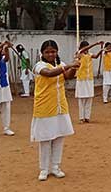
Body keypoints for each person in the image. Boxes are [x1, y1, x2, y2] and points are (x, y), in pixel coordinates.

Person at [32, 40, 80, 181]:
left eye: (53, 51)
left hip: (60, 106)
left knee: (59, 137)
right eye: (47, 52)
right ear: (42, 53)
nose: (51, 54)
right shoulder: (39, 66)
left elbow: (68, 76)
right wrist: (69, 65)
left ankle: (55, 166)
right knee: (45, 139)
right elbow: (49, 73)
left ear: (57, 52)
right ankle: (44, 169)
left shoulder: (62, 65)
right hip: (45, 107)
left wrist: (76, 66)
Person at [75, 41, 103, 123]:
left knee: (89, 98)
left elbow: (96, 56)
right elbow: (84, 50)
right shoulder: (79, 54)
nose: (87, 49)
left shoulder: (90, 54)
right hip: (81, 79)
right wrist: (96, 43)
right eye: (86, 47)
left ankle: (87, 117)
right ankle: (81, 117)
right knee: (81, 98)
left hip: (89, 79)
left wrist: (101, 51)